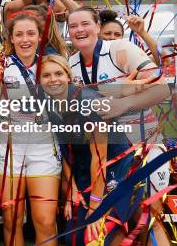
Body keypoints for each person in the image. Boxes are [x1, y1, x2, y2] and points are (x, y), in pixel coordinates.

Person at [67, 6, 171, 246]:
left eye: (85, 24)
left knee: (149, 217)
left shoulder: (120, 49)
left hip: (144, 146)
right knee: (122, 221)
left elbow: (162, 88)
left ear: (97, 27)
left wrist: (121, 105)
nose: (79, 29)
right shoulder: (71, 64)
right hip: (109, 154)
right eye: (73, 26)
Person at [39, 55, 135, 245]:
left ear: (68, 76)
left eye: (58, 73)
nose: (53, 79)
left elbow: (100, 158)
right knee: (72, 238)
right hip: (83, 170)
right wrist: (71, 190)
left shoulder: (89, 102)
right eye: (46, 75)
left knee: (97, 235)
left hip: (114, 166)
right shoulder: (48, 105)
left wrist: (95, 206)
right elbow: (63, 150)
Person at [0, 11, 61, 246]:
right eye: (19, 34)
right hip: (8, 148)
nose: (25, 39)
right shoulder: (1, 65)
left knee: (45, 221)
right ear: (11, 38)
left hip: (43, 148)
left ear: (40, 36)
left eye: (31, 33)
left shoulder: (51, 65)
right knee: (11, 220)